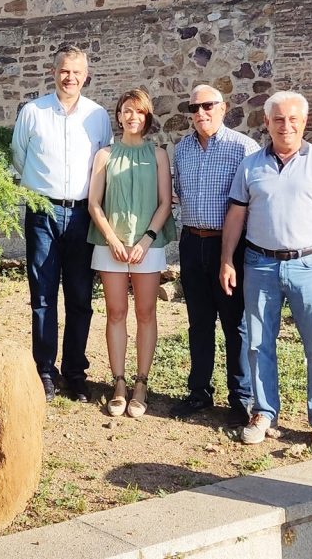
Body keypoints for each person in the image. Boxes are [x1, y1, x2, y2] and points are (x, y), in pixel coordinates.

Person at [220, 90, 312, 455]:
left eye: (293, 118)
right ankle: (263, 413)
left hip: (309, 265)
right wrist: (227, 259)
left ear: (304, 122)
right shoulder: (251, 165)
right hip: (259, 264)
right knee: (259, 343)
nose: (286, 125)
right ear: (266, 123)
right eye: (278, 119)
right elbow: (236, 215)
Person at [11, 44, 113, 403]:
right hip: (43, 212)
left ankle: (75, 372)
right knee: (42, 296)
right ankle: (44, 370)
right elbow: (19, 157)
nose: (69, 78)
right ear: (54, 73)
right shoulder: (33, 112)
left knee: (81, 297)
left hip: (84, 214)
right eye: (63, 71)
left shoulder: (98, 116)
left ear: (86, 76)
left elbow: (104, 163)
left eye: (76, 72)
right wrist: (43, 192)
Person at [170, 85, 260, 427]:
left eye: (208, 105)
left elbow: (254, 201)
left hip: (230, 246)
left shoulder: (243, 148)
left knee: (235, 324)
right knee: (199, 322)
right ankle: (199, 392)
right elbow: (178, 193)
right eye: (193, 107)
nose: (200, 112)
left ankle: (241, 398)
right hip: (192, 243)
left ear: (223, 108)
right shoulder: (182, 150)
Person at [87, 89, 176, 418]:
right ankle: (119, 383)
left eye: (138, 112)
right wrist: (111, 237)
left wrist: (146, 240)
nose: (132, 117)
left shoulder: (159, 155)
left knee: (146, 313)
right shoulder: (104, 156)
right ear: (119, 114)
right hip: (110, 244)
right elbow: (94, 202)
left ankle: (141, 384)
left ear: (147, 116)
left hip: (146, 246)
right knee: (116, 312)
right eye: (126, 111)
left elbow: (165, 202)